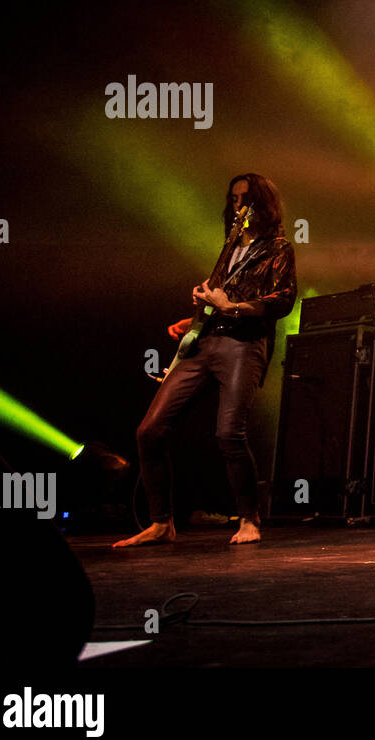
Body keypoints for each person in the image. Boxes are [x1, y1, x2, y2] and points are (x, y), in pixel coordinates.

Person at [114, 173, 297, 548]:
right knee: (149, 431)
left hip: (243, 344)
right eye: (233, 199)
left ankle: (249, 519)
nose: (238, 206)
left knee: (229, 432)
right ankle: (161, 522)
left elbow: (284, 299)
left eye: (246, 199)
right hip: (206, 341)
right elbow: (219, 298)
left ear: (263, 204)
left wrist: (234, 307)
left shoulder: (278, 248)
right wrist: (196, 317)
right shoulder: (229, 247)